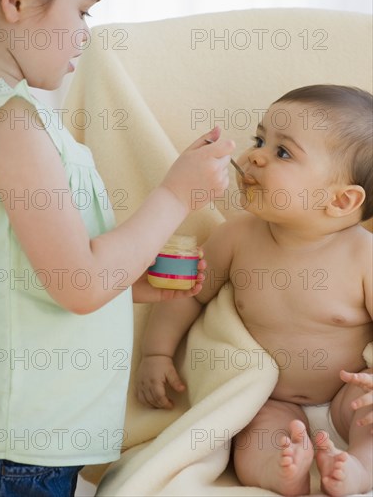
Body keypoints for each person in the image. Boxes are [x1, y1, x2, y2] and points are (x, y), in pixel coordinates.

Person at [0, 0, 235, 495]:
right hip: (21, 443)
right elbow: (80, 285)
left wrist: (129, 285)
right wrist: (176, 193)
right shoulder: (13, 126)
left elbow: (27, 277)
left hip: (26, 437)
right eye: (83, 10)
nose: (85, 34)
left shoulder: (18, 122)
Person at [136, 84, 373, 497]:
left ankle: (356, 469)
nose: (253, 157)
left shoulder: (363, 258)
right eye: (260, 140)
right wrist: (156, 353)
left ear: (341, 200)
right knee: (254, 441)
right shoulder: (237, 238)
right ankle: (282, 473)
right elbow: (187, 294)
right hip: (270, 400)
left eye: (283, 153)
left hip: (345, 397)